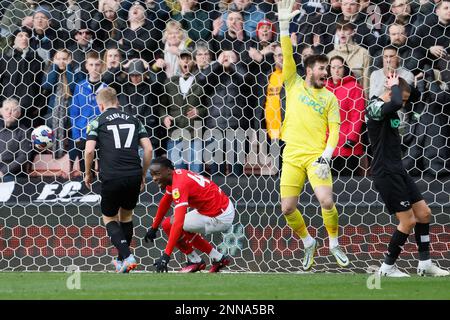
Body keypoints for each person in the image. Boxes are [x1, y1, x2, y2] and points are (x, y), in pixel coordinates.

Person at [276, 0, 349, 271]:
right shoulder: (293, 83)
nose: (326, 73)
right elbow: (287, 53)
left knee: (326, 201)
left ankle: (334, 243)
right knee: (287, 208)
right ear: (309, 70)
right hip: (291, 155)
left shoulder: (330, 97)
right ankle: (308, 242)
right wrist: (284, 27)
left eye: (327, 70)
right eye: (321, 69)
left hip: (316, 157)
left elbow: (337, 129)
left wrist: (326, 155)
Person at [365, 73, 449, 277]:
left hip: (398, 169)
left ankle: (425, 263)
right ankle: (387, 267)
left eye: (405, 100)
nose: (402, 104)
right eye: (402, 98)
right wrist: (394, 86)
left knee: (424, 214)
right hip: (385, 171)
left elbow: (396, 104)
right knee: (408, 221)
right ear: (390, 90)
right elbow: (393, 102)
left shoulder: (392, 109)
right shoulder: (374, 106)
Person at [84, 87, 153, 273]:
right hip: (133, 174)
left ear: (100, 105)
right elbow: (148, 150)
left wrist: (88, 173)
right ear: (118, 102)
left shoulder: (97, 121)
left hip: (112, 175)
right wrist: (143, 174)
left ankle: (128, 256)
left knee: (109, 217)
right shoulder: (134, 120)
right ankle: (122, 261)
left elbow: (89, 150)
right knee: (127, 216)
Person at [146, 157, 233, 273]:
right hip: (220, 207)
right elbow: (165, 201)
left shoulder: (179, 185)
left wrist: (166, 256)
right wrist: (154, 227)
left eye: (157, 174)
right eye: (152, 175)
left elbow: (178, 223)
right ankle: (219, 258)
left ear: (167, 170)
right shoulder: (175, 176)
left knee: (171, 224)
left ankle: (196, 261)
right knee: (170, 223)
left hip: (219, 216)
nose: (154, 178)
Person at [326, 56, 365, 176]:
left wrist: (351, 138)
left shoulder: (354, 87)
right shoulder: (325, 87)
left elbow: (357, 114)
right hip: (328, 144)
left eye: (339, 67)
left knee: (347, 181)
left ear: (345, 69)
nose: (336, 70)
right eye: (333, 67)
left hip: (347, 145)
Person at [0, 98, 32, 182]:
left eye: (14, 110)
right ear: (1, 111)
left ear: (19, 114)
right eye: (6, 109)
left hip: (11, 173)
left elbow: (24, 156)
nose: (9, 112)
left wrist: (3, 171)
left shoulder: (24, 132)